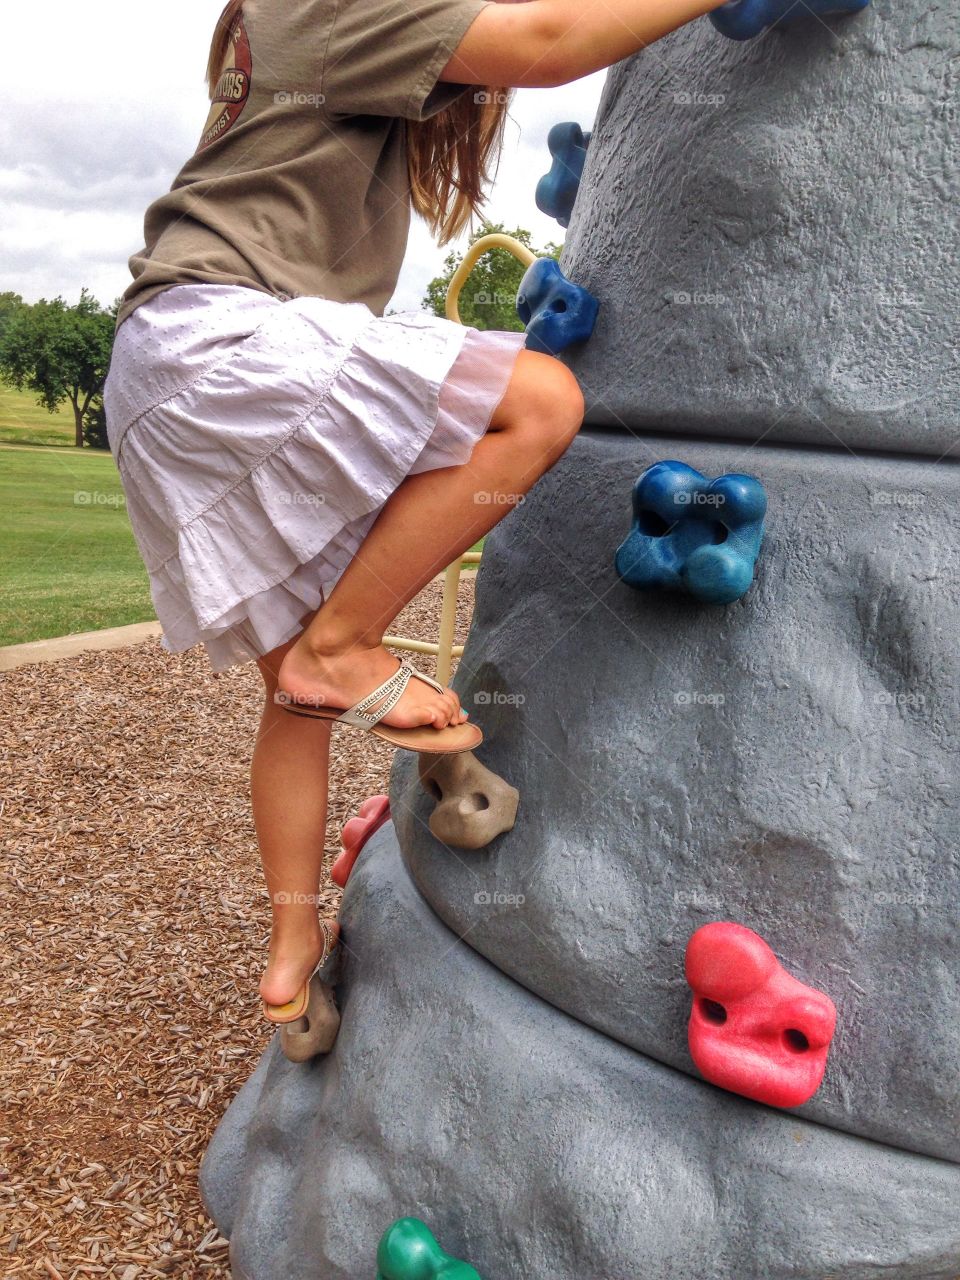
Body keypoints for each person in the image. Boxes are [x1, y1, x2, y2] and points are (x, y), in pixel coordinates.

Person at [103, 0, 731, 1036]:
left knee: (297, 693)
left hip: (166, 374)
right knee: (539, 404)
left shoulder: (300, 36)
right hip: (222, 343)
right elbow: (547, 43)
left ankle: (291, 954)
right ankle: (351, 644)